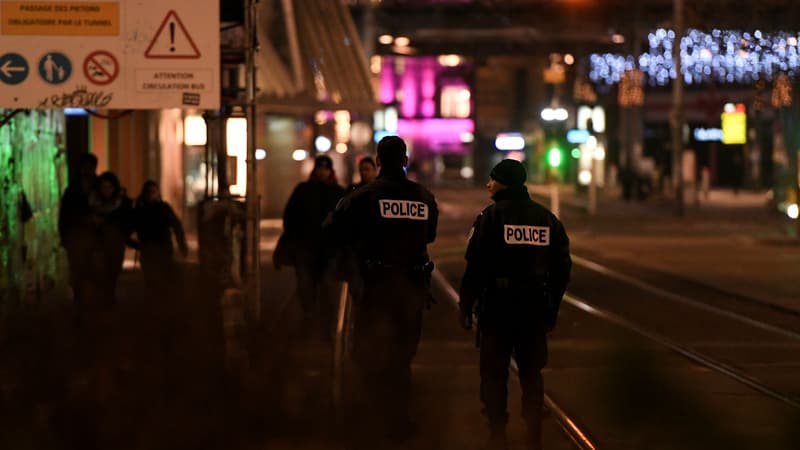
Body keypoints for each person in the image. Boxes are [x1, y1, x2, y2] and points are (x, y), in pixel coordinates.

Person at [323, 135, 438, 444]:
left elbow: (332, 231)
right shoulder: (423, 197)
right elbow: (430, 236)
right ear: (405, 160)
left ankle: (374, 416)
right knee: (402, 356)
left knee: (367, 352)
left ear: (377, 161)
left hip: (375, 288)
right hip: (411, 288)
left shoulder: (362, 197)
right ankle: (398, 419)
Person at [459, 159, 571, 450]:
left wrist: (465, 303)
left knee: (494, 375)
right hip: (533, 309)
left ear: (504, 182)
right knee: (531, 374)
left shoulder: (491, 217)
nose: (488, 184)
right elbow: (562, 269)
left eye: (492, 179)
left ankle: (498, 433)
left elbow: (475, 266)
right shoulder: (546, 218)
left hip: (497, 308)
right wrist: (552, 307)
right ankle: (533, 432)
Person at [281, 155, 345, 339]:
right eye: (320, 168)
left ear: (330, 171)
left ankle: (325, 326)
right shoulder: (303, 190)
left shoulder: (338, 193)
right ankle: (310, 322)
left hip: (328, 251)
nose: (322, 172)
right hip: (306, 249)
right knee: (305, 287)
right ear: (315, 170)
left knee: (326, 287)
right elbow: (290, 216)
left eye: (325, 169)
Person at [59, 153, 99, 319]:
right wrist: (65, 237)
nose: (88, 171)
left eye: (91, 167)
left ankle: (90, 305)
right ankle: (81, 305)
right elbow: (65, 216)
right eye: (85, 167)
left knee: (92, 271)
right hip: (76, 238)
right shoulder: (72, 190)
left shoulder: (98, 186)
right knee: (78, 272)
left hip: (93, 238)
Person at [133, 180, 189, 299]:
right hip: (149, 250)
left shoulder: (163, 208)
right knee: (153, 282)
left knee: (162, 281)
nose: (151, 195)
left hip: (163, 250)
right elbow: (128, 226)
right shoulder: (140, 209)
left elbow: (177, 226)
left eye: (153, 192)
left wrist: (182, 246)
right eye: (149, 192)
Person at [88, 171, 134, 308]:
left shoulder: (122, 203)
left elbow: (129, 223)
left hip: (115, 245)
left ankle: (108, 299)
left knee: (112, 274)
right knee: (99, 274)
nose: (106, 190)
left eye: (109, 187)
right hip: (98, 245)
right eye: (104, 187)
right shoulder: (93, 202)